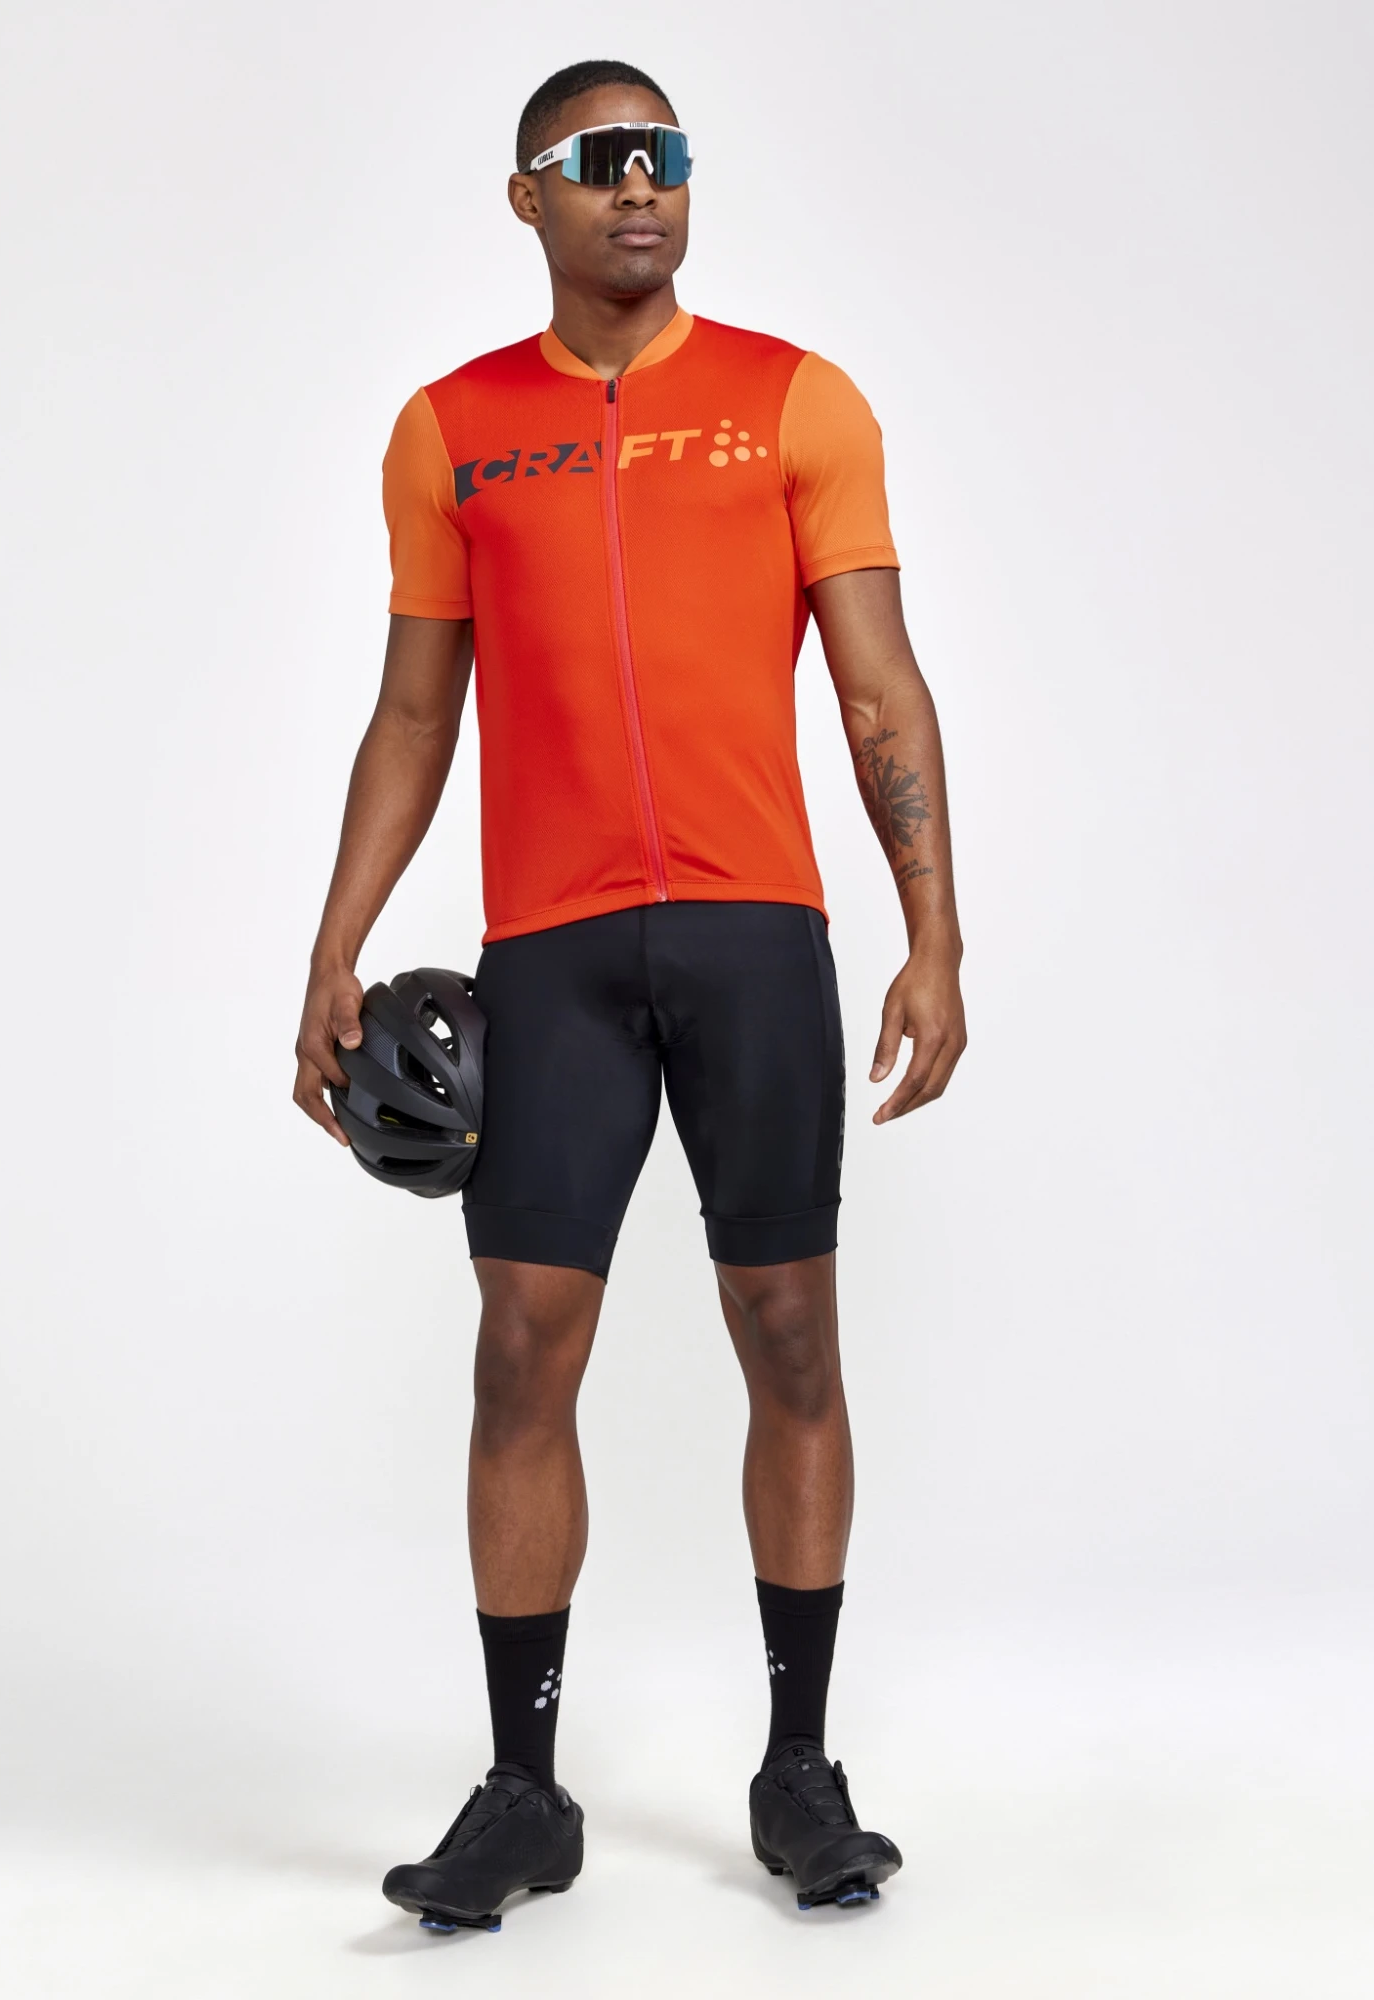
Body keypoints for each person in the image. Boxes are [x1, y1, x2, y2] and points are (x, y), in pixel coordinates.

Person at [293, 58, 967, 1930]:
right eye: (601, 163)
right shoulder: (452, 431)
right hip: (556, 949)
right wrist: (336, 943)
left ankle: (799, 1770)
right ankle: (525, 1795)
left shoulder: (795, 400)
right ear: (530, 197)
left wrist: (934, 930)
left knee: (790, 1333)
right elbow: (414, 709)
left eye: (664, 157)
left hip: (755, 935)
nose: (642, 187)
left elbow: (879, 684)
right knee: (522, 1346)